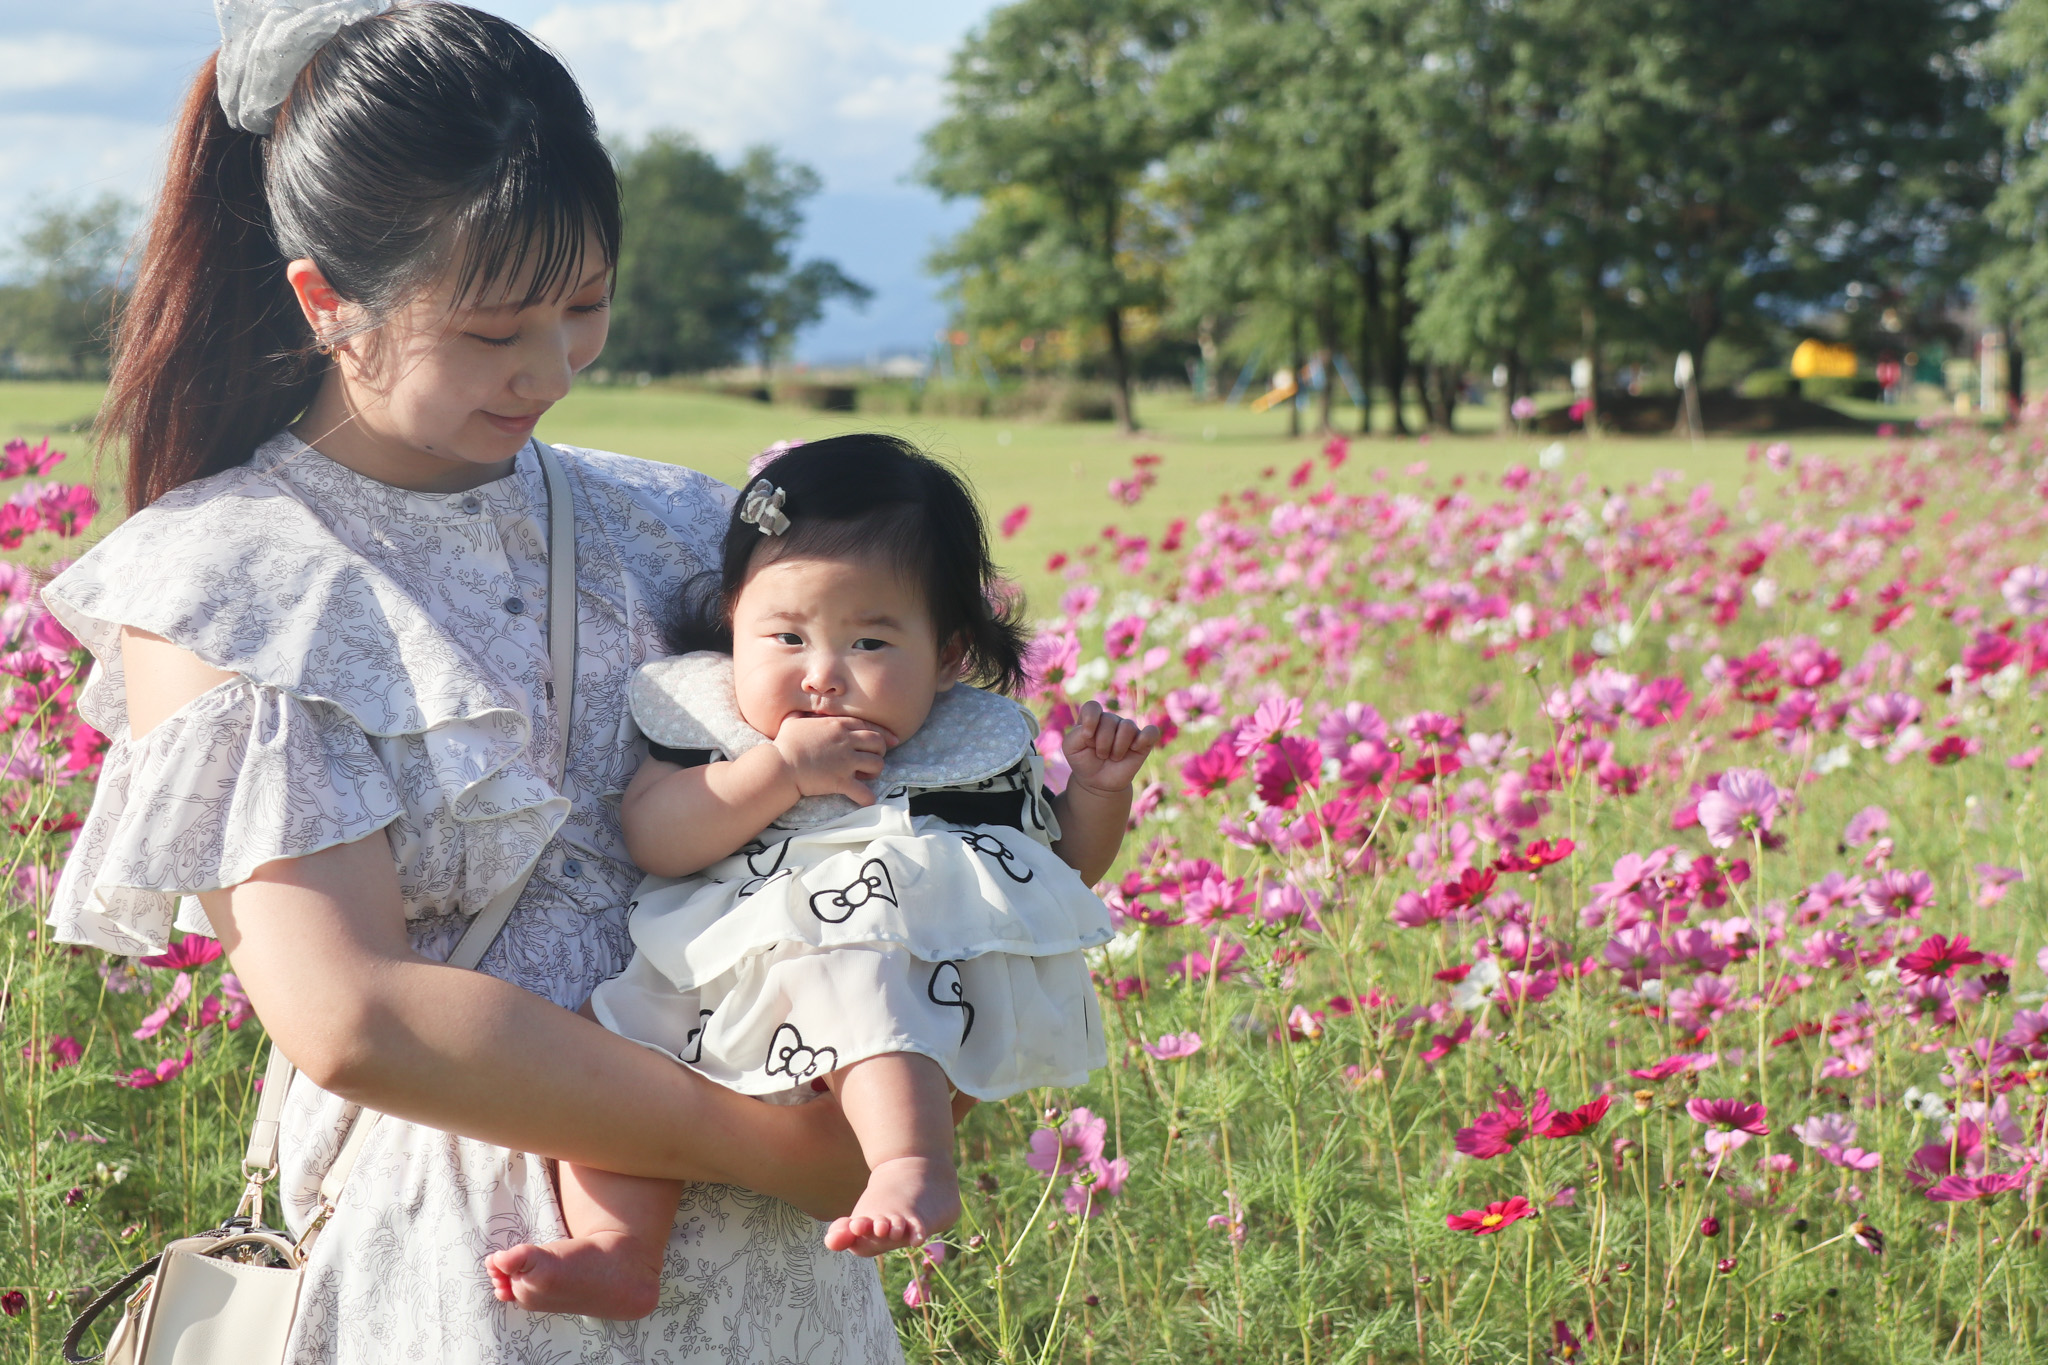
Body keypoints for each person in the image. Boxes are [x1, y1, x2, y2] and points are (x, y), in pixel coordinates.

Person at [46, 4, 901, 1359]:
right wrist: (782, 1149)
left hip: (783, 1286)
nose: (551, 370)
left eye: (585, 308)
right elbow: (353, 1015)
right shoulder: (231, 584)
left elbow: (896, 829)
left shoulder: (681, 527)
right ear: (327, 303)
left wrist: (912, 1102)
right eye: (496, 328)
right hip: (469, 1277)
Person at [485, 437, 1158, 1317]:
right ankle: (619, 1246)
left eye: (870, 640)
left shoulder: (966, 749)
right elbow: (657, 837)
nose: (822, 674)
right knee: (607, 1052)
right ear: (734, 620)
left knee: (858, 965)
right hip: (719, 986)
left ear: (948, 653)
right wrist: (777, 772)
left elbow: (1055, 867)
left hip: (882, 982)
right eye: (787, 637)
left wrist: (1099, 794)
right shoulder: (714, 726)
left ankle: (908, 1161)